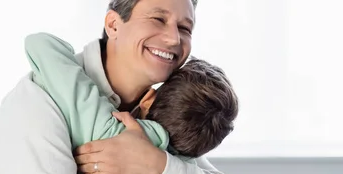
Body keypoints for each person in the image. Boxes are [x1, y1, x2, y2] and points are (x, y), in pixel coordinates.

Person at [0, 0, 234, 174]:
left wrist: (154, 164)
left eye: (185, 28)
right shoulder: (39, 101)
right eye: (158, 18)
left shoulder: (158, 115)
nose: (173, 39)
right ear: (113, 24)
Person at [24, 31, 238, 164]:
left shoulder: (105, 128)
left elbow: (39, 43)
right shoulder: (180, 167)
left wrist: (82, 74)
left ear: (148, 100)